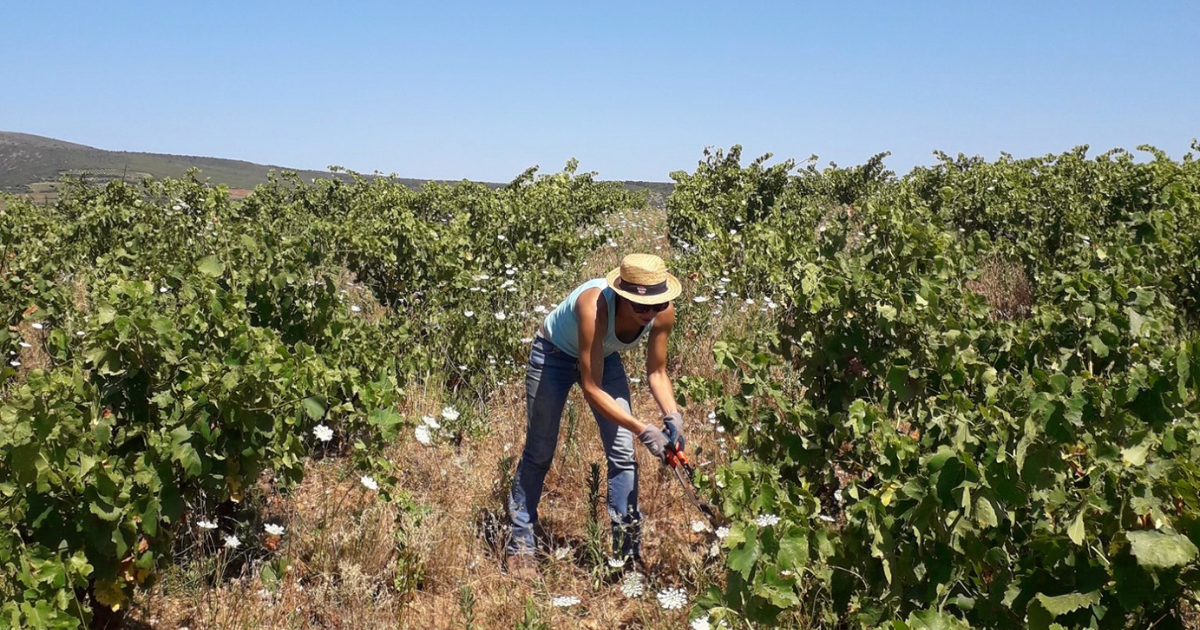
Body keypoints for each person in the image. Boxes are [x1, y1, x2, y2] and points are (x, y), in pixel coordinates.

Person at [506, 253, 686, 579]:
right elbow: (591, 387)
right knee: (539, 452)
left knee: (623, 455)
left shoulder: (662, 311)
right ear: (622, 296)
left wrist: (673, 416)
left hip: (603, 354)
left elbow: (657, 372)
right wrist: (643, 429)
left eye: (656, 305)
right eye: (641, 307)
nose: (649, 314)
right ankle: (520, 543)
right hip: (553, 355)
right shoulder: (594, 307)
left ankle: (626, 558)